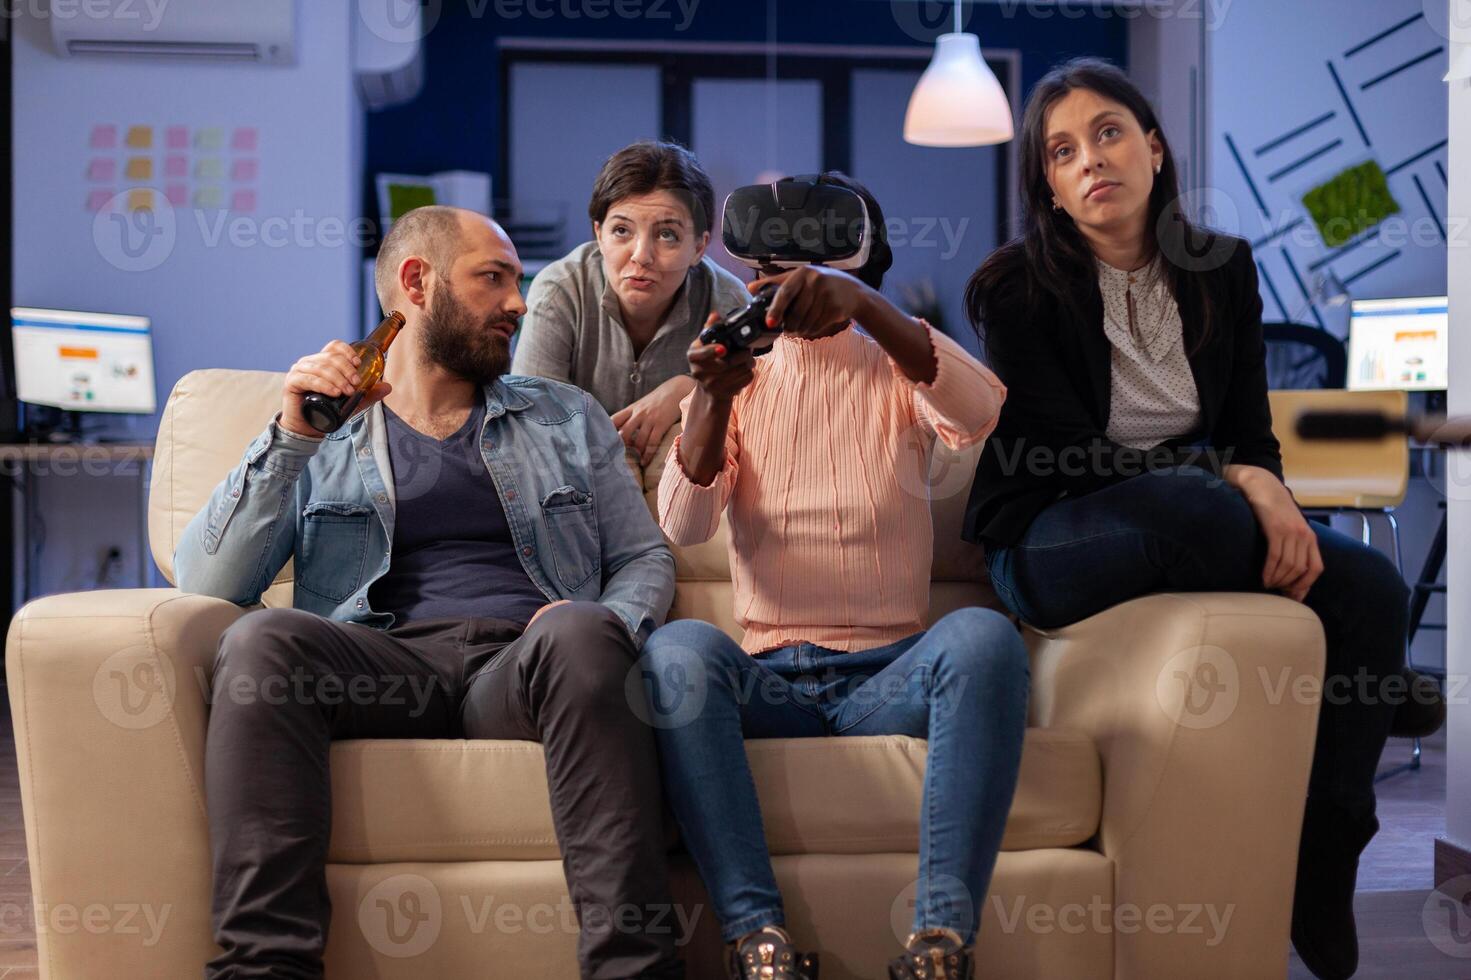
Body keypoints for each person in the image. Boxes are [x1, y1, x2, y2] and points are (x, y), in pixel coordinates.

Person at [961, 57, 1411, 980]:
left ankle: (1323, 855)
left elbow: (1253, 432)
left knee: (1369, 583)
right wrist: (1239, 483)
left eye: (1110, 133)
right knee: (1199, 510)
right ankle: (1390, 689)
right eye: (1061, 151)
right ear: (1045, 184)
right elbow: (1069, 451)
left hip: (1191, 515)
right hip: (1049, 535)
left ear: (1155, 149)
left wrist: (1264, 484)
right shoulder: (1012, 288)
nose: (1090, 159)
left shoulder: (1222, 271)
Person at [175, 205, 684, 980]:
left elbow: (644, 556)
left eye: (517, 281)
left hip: (521, 668)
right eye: (494, 278)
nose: (518, 301)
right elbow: (208, 584)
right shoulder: (323, 432)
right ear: (417, 283)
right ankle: (263, 970)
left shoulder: (564, 417)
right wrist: (293, 439)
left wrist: (604, 621)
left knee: (584, 634)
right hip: (379, 664)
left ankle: (634, 970)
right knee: (259, 638)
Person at [640, 173, 1028, 980]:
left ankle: (939, 944)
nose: (773, 284)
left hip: (891, 673)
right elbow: (683, 526)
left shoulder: (890, 357)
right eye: (762, 272)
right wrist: (711, 398)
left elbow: (978, 411)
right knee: (676, 652)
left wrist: (863, 307)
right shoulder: (739, 373)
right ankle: (760, 944)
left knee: (983, 636)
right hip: (769, 679)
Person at [512, 139, 750, 466]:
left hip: (683, 481)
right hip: (577, 469)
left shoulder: (728, 300)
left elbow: (752, 416)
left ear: (698, 247)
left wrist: (687, 389)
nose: (641, 256)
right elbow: (534, 423)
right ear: (598, 234)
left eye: (667, 234)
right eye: (622, 230)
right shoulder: (559, 290)